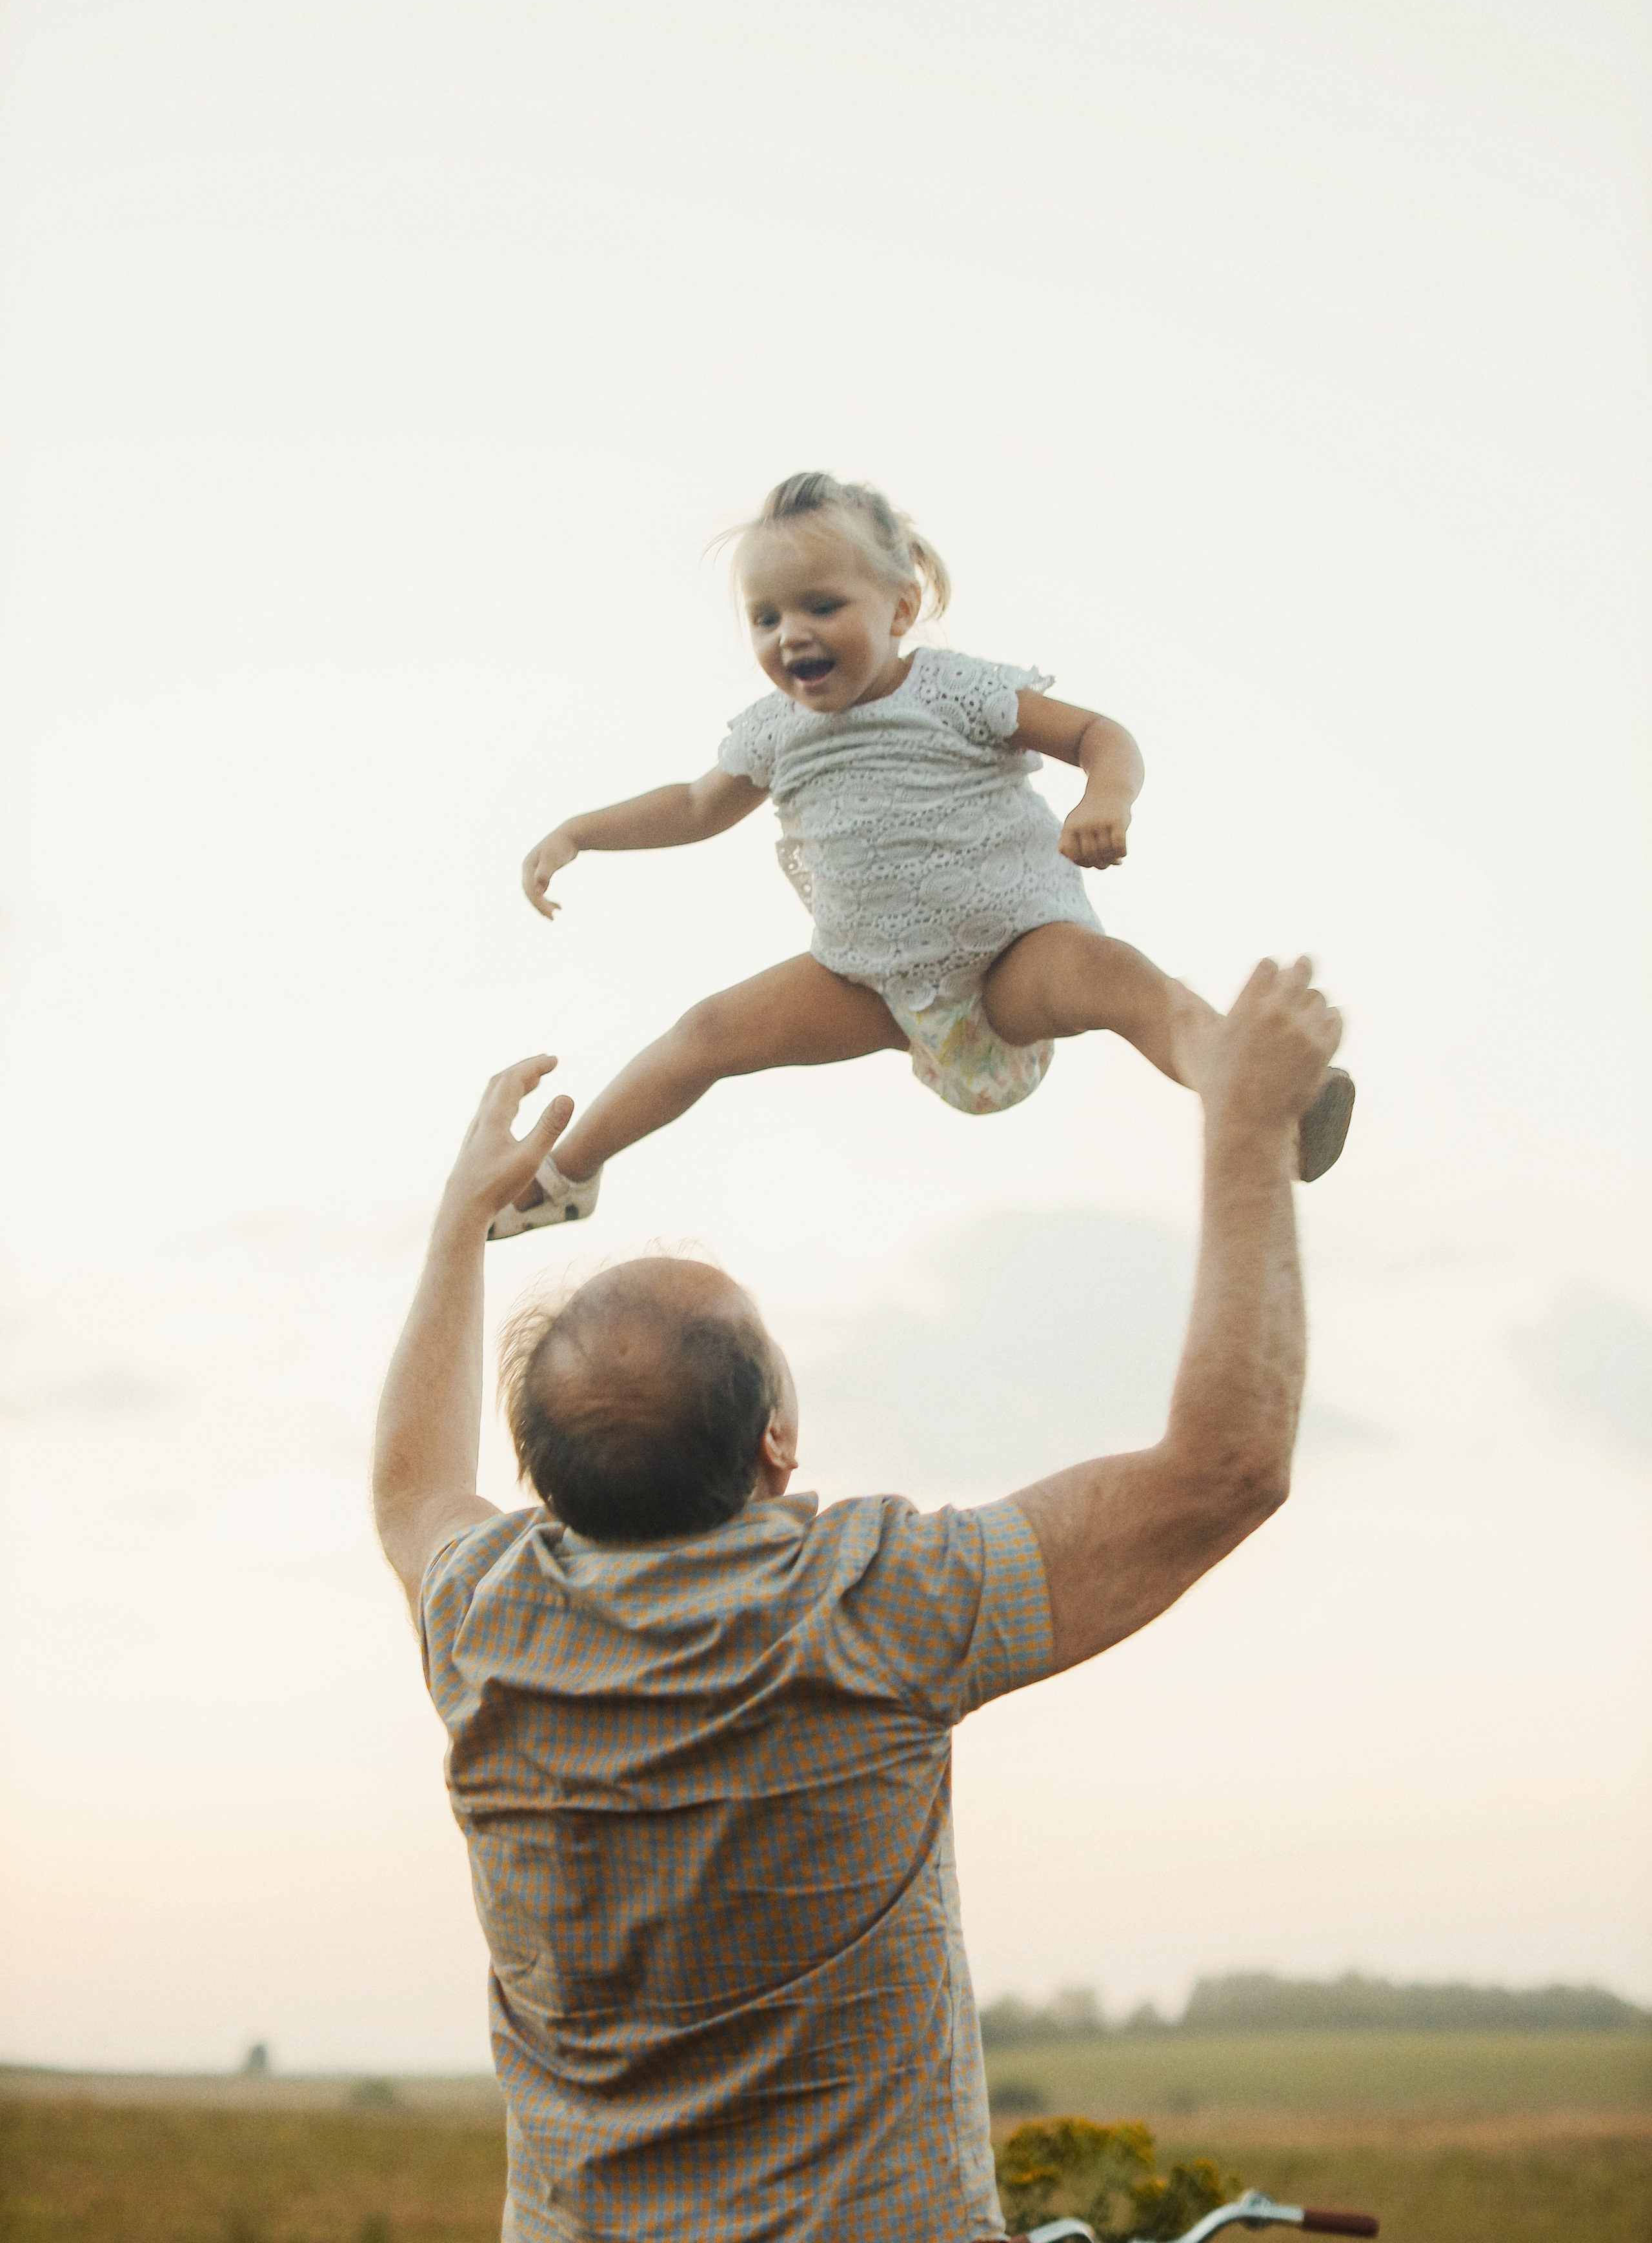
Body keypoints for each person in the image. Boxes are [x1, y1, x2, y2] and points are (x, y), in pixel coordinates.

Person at [373, 955, 1342, 2243]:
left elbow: (407, 1486)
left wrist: (457, 1227)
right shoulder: (869, 1609)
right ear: (776, 1444)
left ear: (535, 1473)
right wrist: (1245, 1124)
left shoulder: (484, 1619)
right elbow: (1222, 1470)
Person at [488, 472, 1353, 1236]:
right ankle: (566, 1177)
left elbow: (1100, 734)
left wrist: (1106, 796)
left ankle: (1260, 1090)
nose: (792, 633)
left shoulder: (956, 690)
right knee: (704, 1034)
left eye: (822, 606)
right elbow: (691, 807)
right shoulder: (774, 735)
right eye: (766, 617)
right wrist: (579, 832)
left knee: (1122, 979)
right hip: (874, 986)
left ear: (900, 607)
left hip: (1017, 953)